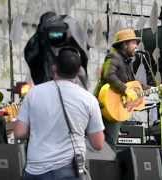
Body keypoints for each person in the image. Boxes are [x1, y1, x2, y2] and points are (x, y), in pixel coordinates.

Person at [14, 47, 105, 180]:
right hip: (69, 171)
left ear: (54, 68)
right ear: (79, 71)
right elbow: (98, 144)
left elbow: (19, 132)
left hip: (36, 171)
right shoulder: (89, 99)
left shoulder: (33, 93)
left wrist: (38, 130)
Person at [94, 28, 149, 146]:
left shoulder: (126, 61)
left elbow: (132, 82)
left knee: (109, 142)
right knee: (108, 143)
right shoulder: (113, 56)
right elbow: (108, 75)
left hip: (114, 105)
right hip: (107, 104)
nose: (136, 46)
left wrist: (150, 88)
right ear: (125, 44)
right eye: (134, 42)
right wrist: (125, 90)